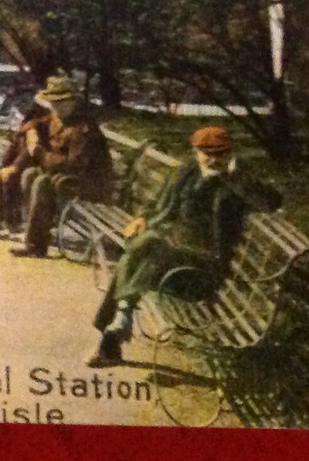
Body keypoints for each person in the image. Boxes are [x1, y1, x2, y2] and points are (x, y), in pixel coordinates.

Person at [88, 125, 280, 367]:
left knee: (146, 247)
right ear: (196, 151)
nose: (213, 160)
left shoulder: (236, 180)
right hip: (170, 250)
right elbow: (160, 204)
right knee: (144, 245)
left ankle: (116, 330)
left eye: (220, 154)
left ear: (229, 153)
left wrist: (236, 176)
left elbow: (271, 202)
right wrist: (143, 218)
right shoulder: (187, 171)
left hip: (202, 266)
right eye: (206, 153)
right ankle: (120, 322)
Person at [8, 74, 112, 259]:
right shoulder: (60, 117)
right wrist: (31, 130)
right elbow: (40, 123)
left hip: (88, 185)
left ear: (73, 101)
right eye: (53, 103)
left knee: (41, 183)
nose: (56, 107)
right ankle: (38, 232)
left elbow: (74, 164)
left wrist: (39, 152)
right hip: (65, 179)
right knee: (29, 174)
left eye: (61, 102)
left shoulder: (83, 127)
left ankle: (35, 245)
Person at [0, 98, 52, 234]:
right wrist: (4, 163)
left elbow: (29, 153)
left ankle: (12, 222)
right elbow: (13, 147)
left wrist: (15, 167)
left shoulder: (40, 128)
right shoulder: (27, 127)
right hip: (22, 164)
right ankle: (1, 218)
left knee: (11, 178)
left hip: (33, 165)